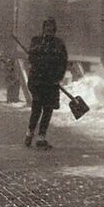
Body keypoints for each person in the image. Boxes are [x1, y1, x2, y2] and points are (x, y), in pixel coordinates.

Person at [25, 17, 67, 149]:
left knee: (48, 110)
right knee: (37, 108)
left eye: (51, 29)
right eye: (46, 28)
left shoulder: (59, 44)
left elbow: (63, 62)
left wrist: (58, 78)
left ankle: (41, 137)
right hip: (37, 82)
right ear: (43, 29)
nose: (49, 31)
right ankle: (30, 133)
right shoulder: (36, 41)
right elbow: (31, 58)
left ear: (54, 30)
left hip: (51, 82)